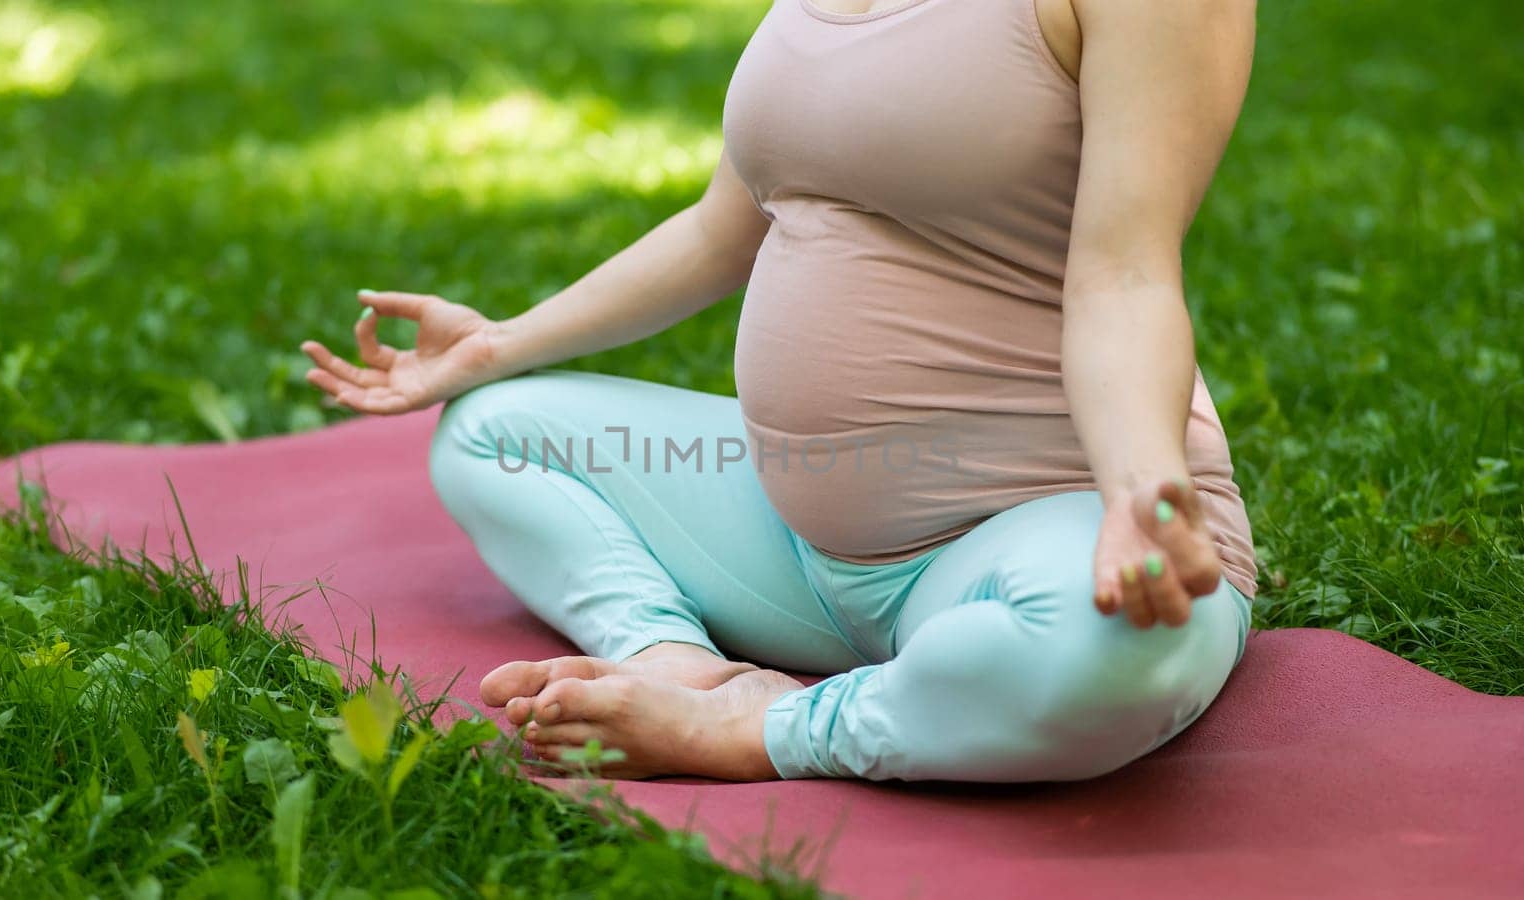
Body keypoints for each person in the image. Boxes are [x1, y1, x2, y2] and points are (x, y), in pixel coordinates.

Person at [300, 0, 1259, 782]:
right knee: (493, 433)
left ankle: (755, 730)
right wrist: (497, 346)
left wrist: (1141, 488)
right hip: (796, 550)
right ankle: (675, 661)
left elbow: (1127, 274)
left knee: (1098, 653)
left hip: (1050, 521)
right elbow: (726, 226)